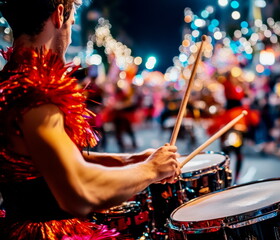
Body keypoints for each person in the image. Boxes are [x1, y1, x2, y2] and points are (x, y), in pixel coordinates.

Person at [0, 1, 181, 239]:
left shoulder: (11, 81)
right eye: (72, 19)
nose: (71, 26)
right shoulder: (36, 91)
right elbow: (79, 192)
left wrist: (127, 159)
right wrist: (151, 169)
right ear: (59, 14)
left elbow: (47, 164)